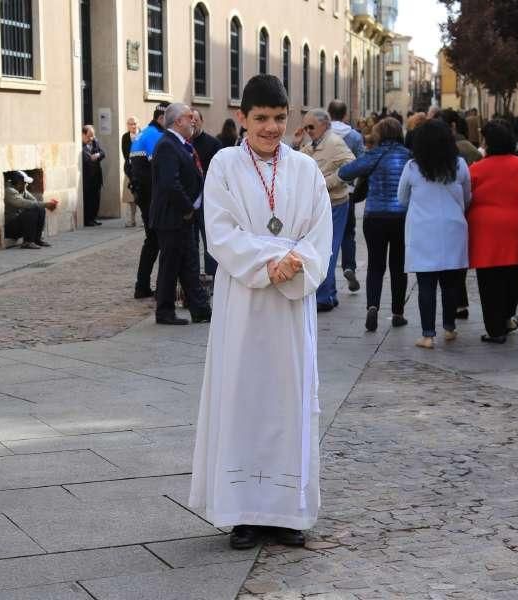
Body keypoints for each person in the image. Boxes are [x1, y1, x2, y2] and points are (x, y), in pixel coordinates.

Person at [189, 74, 333, 550]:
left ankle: (286, 511)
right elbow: (220, 231)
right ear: (242, 119)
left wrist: (298, 261)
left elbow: (320, 233)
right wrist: (271, 260)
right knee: (244, 399)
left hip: (291, 311)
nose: (271, 128)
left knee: (289, 402)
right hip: (245, 306)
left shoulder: (306, 170)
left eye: (278, 118)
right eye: (261, 119)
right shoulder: (224, 166)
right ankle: (243, 511)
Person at [398, 119, 471, 349]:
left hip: (422, 229)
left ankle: (428, 334)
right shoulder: (459, 165)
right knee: (451, 283)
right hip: (453, 228)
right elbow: (468, 197)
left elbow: (402, 198)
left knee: (426, 284)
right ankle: (449, 327)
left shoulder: (412, 167)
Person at [468, 120, 518, 343]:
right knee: (512, 274)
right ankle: (508, 314)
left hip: (486, 228)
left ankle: (495, 328)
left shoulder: (477, 168)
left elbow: (466, 195)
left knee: (488, 280)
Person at [338, 117, 412, 332]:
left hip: (375, 218)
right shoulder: (409, 156)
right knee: (399, 266)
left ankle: (372, 308)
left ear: (380, 134)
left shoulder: (374, 154)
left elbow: (345, 172)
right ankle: (398, 313)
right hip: (401, 218)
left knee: (376, 265)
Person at [149, 103, 212, 326]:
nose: (193, 119)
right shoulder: (167, 145)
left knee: (189, 265)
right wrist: (187, 209)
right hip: (173, 217)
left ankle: (201, 310)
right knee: (171, 266)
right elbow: (170, 184)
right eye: (189, 117)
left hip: (183, 217)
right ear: (178, 121)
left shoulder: (182, 144)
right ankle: (164, 311)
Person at [293, 108, 355, 312]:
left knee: (327, 248)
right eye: (305, 127)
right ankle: (331, 294)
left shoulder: (334, 143)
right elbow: (295, 160)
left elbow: (352, 165)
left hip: (336, 203)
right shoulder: (315, 143)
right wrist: (295, 143)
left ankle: (324, 296)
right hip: (322, 204)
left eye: (311, 127)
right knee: (323, 247)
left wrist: (327, 182)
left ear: (325, 125)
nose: (308, 130)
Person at [440, 108, 482, 321]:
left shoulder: (441, 150)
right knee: (459, 258)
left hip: (447, 211)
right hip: (465, 208)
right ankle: (460, 301)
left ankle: (458, 302)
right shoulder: (471, 149)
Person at [130, 102, 169, 299]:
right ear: (162, 118)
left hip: (143, 196)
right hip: (153, 199)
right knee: (161, 243)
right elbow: (160, 170)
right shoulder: (156, 137)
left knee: (151, 242)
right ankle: (156, 288)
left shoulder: (141, 134)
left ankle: (142, 285)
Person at [328, 99, 364, 294]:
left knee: (328, 235)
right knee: (348, 233)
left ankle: (329, 273)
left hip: (325, 191)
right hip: (346, 191)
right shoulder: (355, 137)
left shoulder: (323, 134)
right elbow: (361, 163)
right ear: (344, 115)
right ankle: (349, 266)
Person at [191, 108, 223, 278]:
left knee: (209, 239)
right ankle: (193, 276)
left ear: (201, 121)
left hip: (208, 200)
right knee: (191, 242)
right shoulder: (184, 144)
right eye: (190, 119)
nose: (193, 122)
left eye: (196, 119)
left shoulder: (213, 144)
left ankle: (213, 276)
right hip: (189, 201)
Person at [4, 171, 58, 249]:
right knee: (30, 212)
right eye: (25, 183)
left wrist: (44, 205)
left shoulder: (22, 190)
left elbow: (34, 202)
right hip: (10, 227)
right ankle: (27, 242)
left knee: (40, 209)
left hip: (19, 224)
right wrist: (45, 204)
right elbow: (22, 203)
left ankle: (36, 239)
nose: (27, 185)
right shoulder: (9, 191)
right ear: (19, 183)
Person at [81, 125, 105, 227]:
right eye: (89, 136)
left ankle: (93, 218)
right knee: (88, 200)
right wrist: (93, 157)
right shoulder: (81, 146)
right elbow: (87, 159)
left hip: (97, 177)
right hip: (87, 178)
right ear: (83, 135)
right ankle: (87, 220)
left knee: (96, 199)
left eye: (93, 136)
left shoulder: (95, 142)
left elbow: (103, 153)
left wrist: (98, 155)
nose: (91, 138)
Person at [121, 116, 141, 227]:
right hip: (129, 169)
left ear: (138, 124)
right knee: (130, 197)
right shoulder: (125, 137)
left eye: (134, 123)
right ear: (127, 126)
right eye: (130, 124)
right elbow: (125, 153)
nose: (133, 126)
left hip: (141, 170)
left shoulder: (142, 135)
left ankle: (143, 219)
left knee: (142, 195)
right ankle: (131, 220)